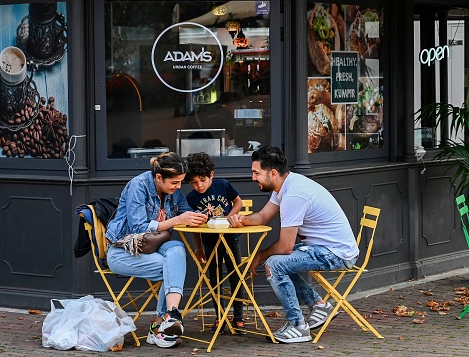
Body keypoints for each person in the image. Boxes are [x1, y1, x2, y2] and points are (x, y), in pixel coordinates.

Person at [227, 146, 359, 344]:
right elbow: (263, 216)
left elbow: (285, 247)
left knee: (275, 264)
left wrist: (259, 255)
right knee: (279, 262)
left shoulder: (294, 195)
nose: (253, 178)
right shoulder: (285, 186)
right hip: (321, 248)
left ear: (272, 173)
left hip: (336, 253)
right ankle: (319, 306)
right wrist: (242, 219)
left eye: (256, 173)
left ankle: (298, 326)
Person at [105, 152, 208, 348]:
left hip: (154, 247)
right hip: (122, 251)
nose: (179, 187)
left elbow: (186, 211)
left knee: (177, 249)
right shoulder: (138, 185)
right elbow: (138, 228)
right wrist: (177, 220)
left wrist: (199, 216)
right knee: (172, 267)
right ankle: (161, 326)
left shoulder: (173, 189)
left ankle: (170, 317)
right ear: (159, 177)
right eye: (175, 183)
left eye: (180, 183)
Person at [184, 152, 245, 334]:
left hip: (230, 239)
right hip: (209, 242)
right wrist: (198, 247)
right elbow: (193, 225)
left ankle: (239, 316)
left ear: (211, 175)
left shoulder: (223, 185)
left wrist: (229, 217)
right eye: (194, 182)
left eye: (202, 180)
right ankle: (220, 317)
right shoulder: (191, 198)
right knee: (215, 278)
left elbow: (238, 202)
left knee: (236, 276)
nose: (199, 186)